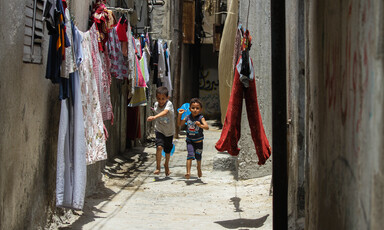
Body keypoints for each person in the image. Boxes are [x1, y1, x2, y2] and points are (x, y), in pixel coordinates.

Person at [178, 98, 209, 179]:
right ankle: (188, 172)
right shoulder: (187, 117)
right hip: (190, 141)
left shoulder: (200, 118)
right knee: (190, 155)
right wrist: (180, 115)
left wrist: (200, 125)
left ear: (200, 109)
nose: (195, 110)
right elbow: (179, 124)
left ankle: (199, 168)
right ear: (189, 109)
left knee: (198, 156)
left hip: (199, 141)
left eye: (197, 108)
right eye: (193, 108)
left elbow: (207, 127)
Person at [147, 86, 175, 176]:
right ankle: (158, 167)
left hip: (169, 131)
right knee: (159, 147)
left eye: (163, 98)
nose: (161, 101)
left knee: (167, 150)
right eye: (159, 98)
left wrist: (154, 117)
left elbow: (165, 112)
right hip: (159, 129)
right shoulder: (156, 104)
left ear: (167, 98)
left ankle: (166, 165)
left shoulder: (169, 104)